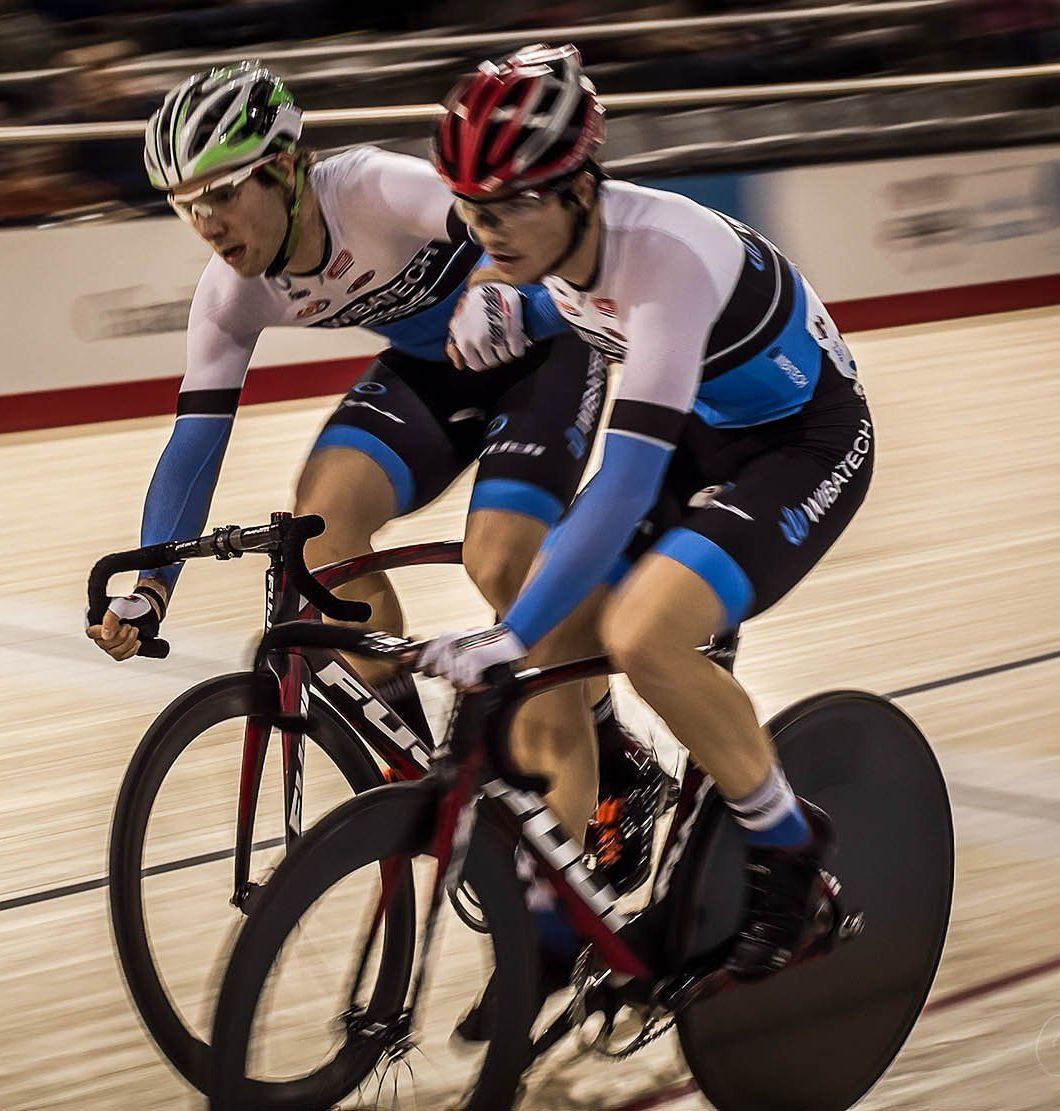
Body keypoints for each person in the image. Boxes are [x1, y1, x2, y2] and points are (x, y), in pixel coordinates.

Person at [421, 44, 874, 990]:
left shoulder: (667, 257)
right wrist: (518, 310)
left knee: (641, 634)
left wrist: (510, 630)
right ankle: (561, 908)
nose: (481, 225)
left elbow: (624, 481)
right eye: (467, 201)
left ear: (580, 187)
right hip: (708, 437)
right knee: (560, 640)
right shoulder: (560, 241)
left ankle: (789, 852)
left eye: (505, 204)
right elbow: (580, 300)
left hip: (802, 443)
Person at [85, 62, 608, 758]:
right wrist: (152, 587)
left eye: (221, 192)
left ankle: (608, 750)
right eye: (186, 204)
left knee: (501, 561)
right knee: (320, 532)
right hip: (434, 371)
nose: (206, 222)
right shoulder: (228, 295)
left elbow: (502, 219)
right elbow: (194, 444)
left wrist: (494, 288)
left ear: (289, 167)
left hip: (543, 353)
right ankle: (413, 773)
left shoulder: (367, 188)